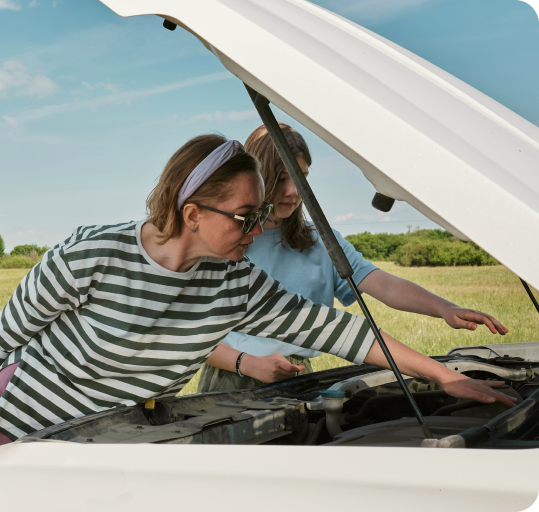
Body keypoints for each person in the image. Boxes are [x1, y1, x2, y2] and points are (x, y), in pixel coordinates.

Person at [0, 134, 514, 469]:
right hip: (20, 434)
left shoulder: (235, 282)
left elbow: (337, 331)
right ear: (194, 211)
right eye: (246, 218)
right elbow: (6, 333)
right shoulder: (96, 252)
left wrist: (441, 377)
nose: (256, 230)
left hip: (112, 445)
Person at [197, 124, 508, 393]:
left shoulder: (319, 240)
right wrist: (246, 363)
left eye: (300, 176)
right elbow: (190, 330)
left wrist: (445, 308)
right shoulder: (227, 238)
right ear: (258, 176)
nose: (293, 190)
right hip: (232, 378)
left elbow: (382, 284)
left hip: (300, 377)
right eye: (281, 178)